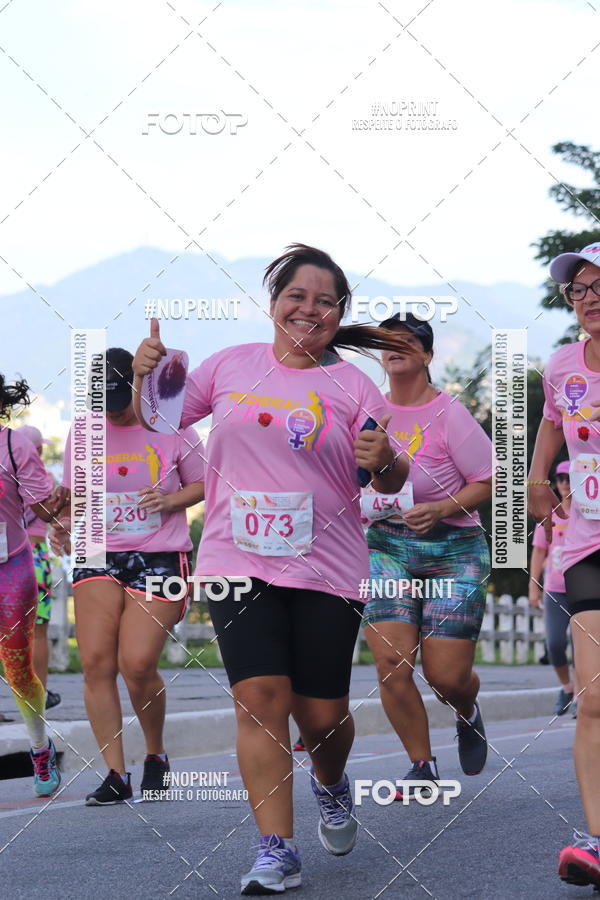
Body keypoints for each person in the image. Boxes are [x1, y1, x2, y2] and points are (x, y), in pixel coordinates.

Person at [132, 244, 415, 895]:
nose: (308, 309)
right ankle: (275, 849)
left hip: (328, 568)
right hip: (237, 560)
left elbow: (389, 473)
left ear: (339, 312)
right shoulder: (229, 366)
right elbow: (158, 417)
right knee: (261, 701)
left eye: (324, 300)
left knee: (322, 719)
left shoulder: (355, 385)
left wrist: (386, 455)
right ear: (273, 302)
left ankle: (332, 782)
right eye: (297, 296)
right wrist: (149, 375)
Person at [50, 348, 205, 805]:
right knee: (97, 661)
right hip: (99, 550)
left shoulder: (174, 427)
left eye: (122, 396)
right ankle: (116, 773)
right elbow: (77, 496)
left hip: (160, 554)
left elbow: (207, 482)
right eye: (106, 399)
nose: (115, 408)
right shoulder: (84, 432)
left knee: (136, 664)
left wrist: (170, 501)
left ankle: (156, 753)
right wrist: (64, 525)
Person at [362, 312, 493, 798]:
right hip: (386, 546)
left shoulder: (449, 413)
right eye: (385, 342)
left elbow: (488, 479)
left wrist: (441, 508)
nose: (394, 347)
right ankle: (422, 765)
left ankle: (466, 708)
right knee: (392, 662)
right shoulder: (367, 409)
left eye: (406, 341)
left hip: (453, 548)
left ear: (427, 355)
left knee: (446, 676)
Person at [528, 242, 600, 889]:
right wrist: (534, 476)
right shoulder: (562, 366)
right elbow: (553, 423)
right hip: (588, 546)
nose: (589, 297)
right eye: (579, 289)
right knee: (595, 697)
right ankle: (598, 840)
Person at [0, 373, 65, 796]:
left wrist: (57, 498)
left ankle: (39, 746)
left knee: (17, 669)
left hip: (11, 566)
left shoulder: (13, 444)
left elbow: (43, 503)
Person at [17, 425, 61, 710]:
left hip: (8, 555)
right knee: (39, 632)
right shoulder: (47, 479)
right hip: (36, 555)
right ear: (40, 449)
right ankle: (38, 698)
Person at [529, 461, 577, 716]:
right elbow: (539, 552)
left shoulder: (587, 513)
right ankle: (567, 687)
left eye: (568, 477)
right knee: (555, 643)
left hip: (583, 589)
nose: (565, 483)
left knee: (581, 647)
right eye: (559, 479)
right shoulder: (550, 513)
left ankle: (583, 696)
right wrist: (533, 586)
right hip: (555, 590)